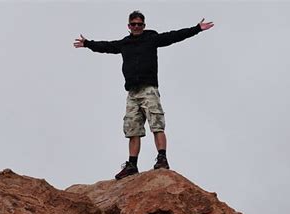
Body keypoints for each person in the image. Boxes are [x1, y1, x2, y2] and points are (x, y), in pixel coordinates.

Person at [74, 11, 214, 180]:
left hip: (149, 88)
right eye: (133, 24)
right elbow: (107, 46)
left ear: (144, 26)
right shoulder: (124, 44)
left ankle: (162, 158)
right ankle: (132, 164)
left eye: (139, 24)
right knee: (132, 128)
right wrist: (88, 43)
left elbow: (174, 36)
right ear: (129, 26)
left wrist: (197, 28)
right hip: (132, 92)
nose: (136, 27)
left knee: (156, 123)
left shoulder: (151, 39)